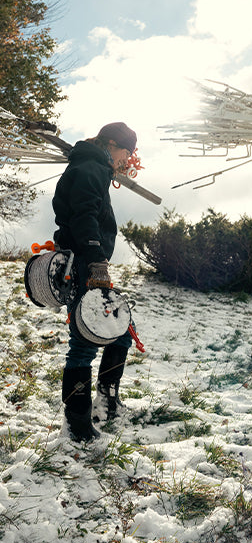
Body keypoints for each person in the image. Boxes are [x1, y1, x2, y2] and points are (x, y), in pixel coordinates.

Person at [52, 122, 138, 442]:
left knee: (121, 332)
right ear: (114, 145)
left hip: (89, 262)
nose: (126, 160)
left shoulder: (92, 165)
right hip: (85, 264)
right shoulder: (90, 166)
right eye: (126, 153)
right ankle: (77, 422)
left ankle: (107, 401)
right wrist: (97, 261)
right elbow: (84, 215)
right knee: (84, 344)